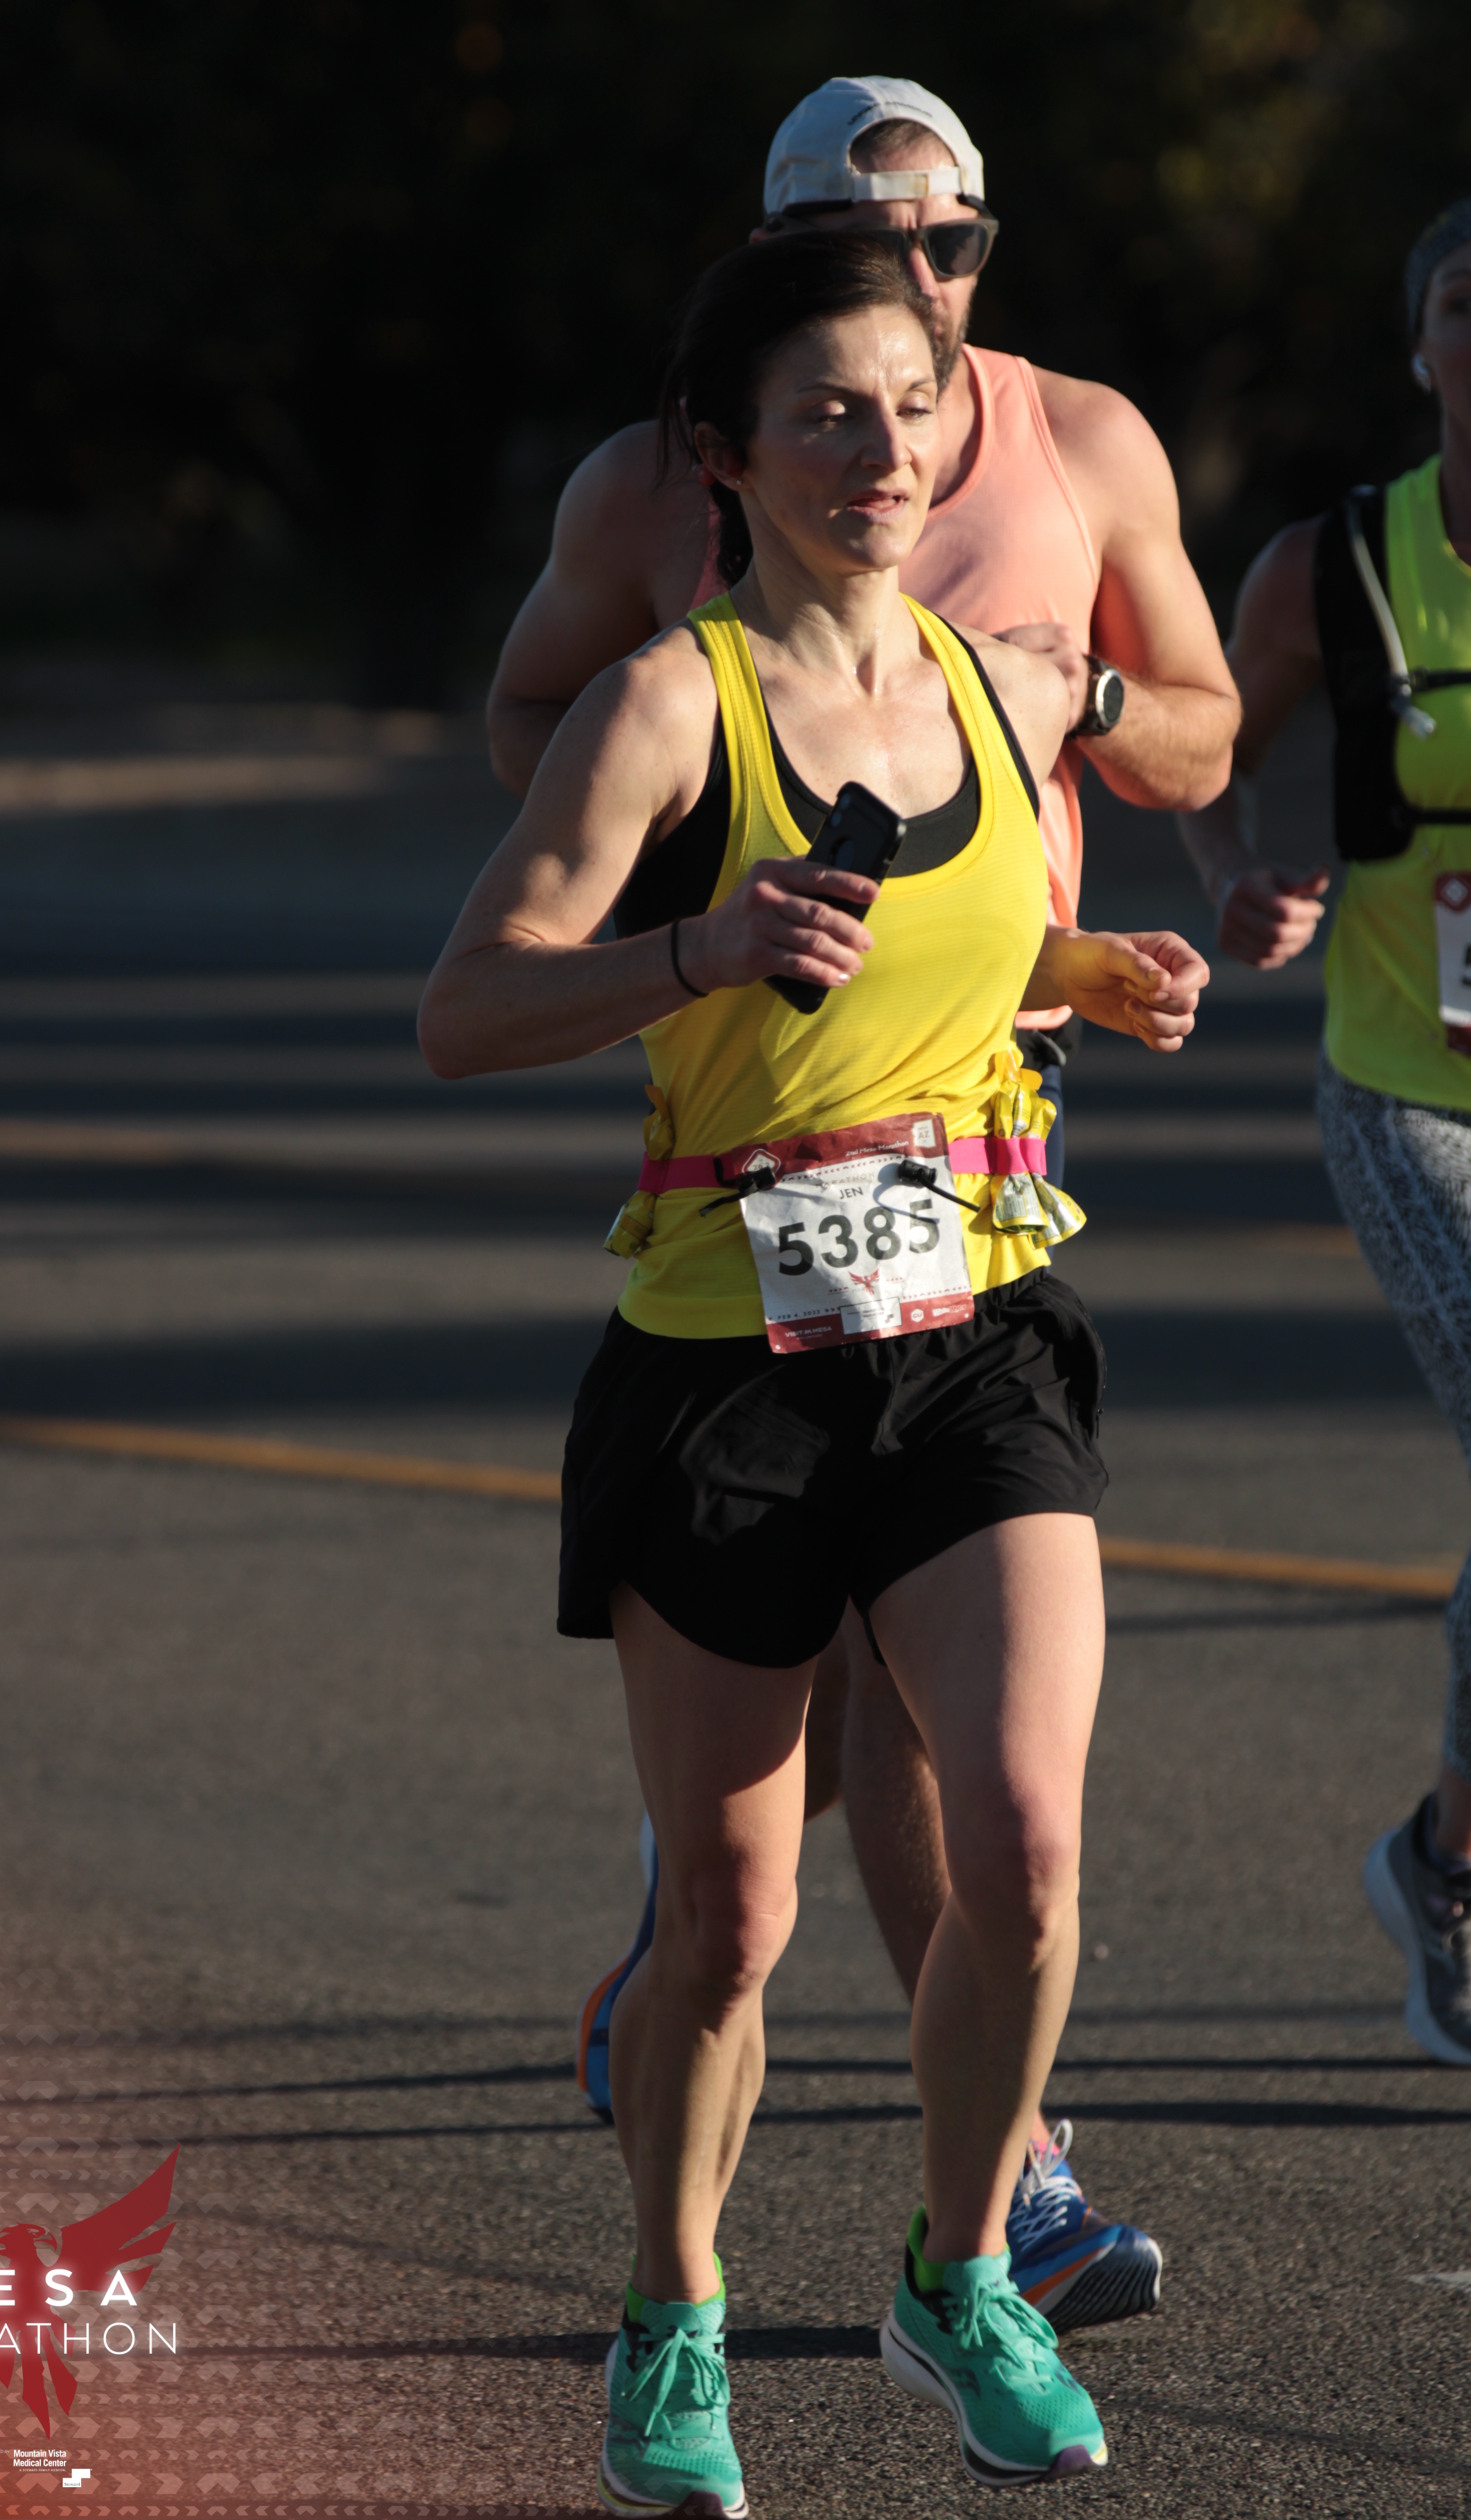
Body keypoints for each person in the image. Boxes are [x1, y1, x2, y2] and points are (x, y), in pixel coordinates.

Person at [423, 227, 1207, 2508]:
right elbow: (466, 1008)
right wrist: (691, 947)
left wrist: (1086, 965)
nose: (881, 448)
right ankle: (673, 2319)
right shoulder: (667, 709)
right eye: (828, 413)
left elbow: (953, 948)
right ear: (727, 454)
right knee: (731, 1922)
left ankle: (960, 2275)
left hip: (976, 1335)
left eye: (911, 405)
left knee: (1027, 1853)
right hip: (725, 1370)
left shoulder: (997, 687)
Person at [1178, 201, 1471, 2067]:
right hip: (1409, 1086)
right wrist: (1238, 874)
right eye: (1468, 303)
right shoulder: (1341, 567)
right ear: (1423, 346)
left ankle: (1444, 1854)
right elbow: (1198, 747)